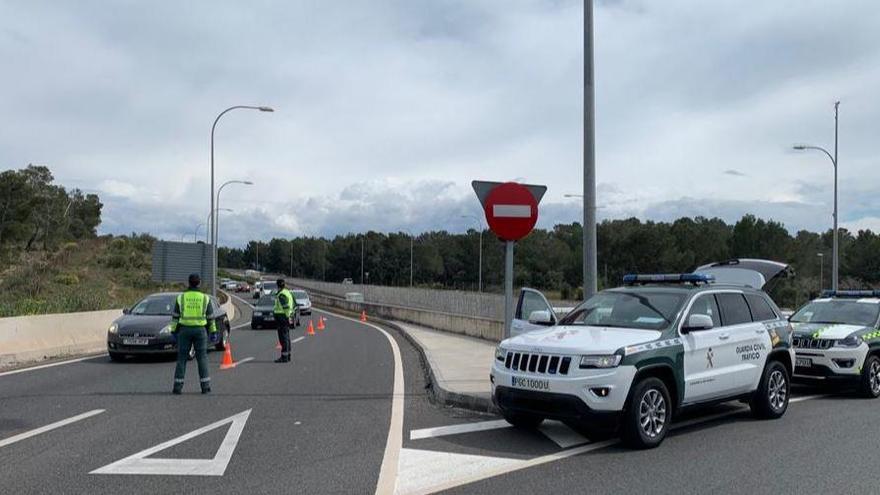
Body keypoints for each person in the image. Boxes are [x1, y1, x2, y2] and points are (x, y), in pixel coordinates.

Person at [170, 273, 216, 394]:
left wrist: (173, 330)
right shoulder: (205, 298)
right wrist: (213, 331)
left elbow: (175, 317)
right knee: (202, 358)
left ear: (188, 283)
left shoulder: (181, 298)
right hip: (200, 330)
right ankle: (205, 386)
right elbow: (210, 317)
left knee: (181, 359)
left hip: (184, 330)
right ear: (199, 283)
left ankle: (177, 387)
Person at [274, 278, 296, 363]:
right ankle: (288, 355)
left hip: (282, 317)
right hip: (286, 317)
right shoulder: (288, 292)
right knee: (286, 337)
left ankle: (284, 357)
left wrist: (286, 316)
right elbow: (294, 304)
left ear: (278, 285)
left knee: (283, 338)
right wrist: (290, 315)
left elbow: (285, 307)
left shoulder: (281, 295)